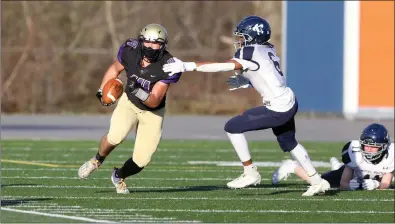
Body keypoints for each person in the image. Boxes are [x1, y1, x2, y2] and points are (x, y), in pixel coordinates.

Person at [162, 15, 330, 196]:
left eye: (242, 37)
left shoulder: (249, 52)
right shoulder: (268, 49)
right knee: (289, 142)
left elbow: (222, 66)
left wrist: (187, 66)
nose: (239, 41)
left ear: (253, 36)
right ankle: (316, 180)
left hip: (277, 108)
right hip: (289, 100)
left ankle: (250, 172)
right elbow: (267, 74)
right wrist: (248, 82)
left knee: (232, 127)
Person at [78, 24, 182, 194]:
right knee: (115, 136)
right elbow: (114, 68)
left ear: (163, 45)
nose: (150, 46)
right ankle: (97, 160)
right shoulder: (130, 49)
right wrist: (102, 89)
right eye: (147, 41)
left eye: (155, 43)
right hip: (129, 102)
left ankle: (119, 175)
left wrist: (138, 91)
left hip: (152, 112)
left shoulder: (169, 65)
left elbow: (155, 100)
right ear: (141, 41)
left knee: (142, 160)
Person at [272, 123, 394, 190]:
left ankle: (337, 166)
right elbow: (343, 183)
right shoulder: (355, 153)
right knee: (320, 183)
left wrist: (377, 185)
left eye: (373, 147)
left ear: (384, 147)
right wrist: (353, 186)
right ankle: (292, 166)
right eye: (366, 146)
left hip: (361, 177)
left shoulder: (390, 156)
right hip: (350, 174)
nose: (368, 150)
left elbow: (386, 183)